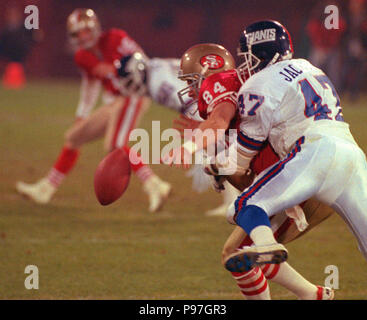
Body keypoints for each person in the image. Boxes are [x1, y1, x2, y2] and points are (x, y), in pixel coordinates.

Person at [165, 43, 334, 299]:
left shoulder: (220, 83)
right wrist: (221, 169)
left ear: (208, 71)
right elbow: (248, 173)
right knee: (244, 253)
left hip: (298, 181)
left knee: (238, 252)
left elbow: (219, 120)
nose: (190, 90)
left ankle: (313, 294)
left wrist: (188, 147)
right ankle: (313, 294)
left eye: (191, 81)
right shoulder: (247, 93)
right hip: (313, 173)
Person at [210, 20, 367, 273]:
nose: (245, 64)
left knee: (244, 206)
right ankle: (266, 244)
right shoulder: (311, 67)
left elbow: (242, 156)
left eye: (248, 56)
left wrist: (216, 165)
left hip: (315, 153)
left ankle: (265, 244)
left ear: (262, 54)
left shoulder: (258, 84)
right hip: (352, 154)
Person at [15, 8, 171, 212]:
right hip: (115, 101)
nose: (83, 37)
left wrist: (120, 71)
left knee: (116, 144)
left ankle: (154, 185)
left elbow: (142, 63)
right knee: (74, 137)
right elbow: (90, 86)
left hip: (132, 96)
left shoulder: (115, 38)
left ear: (95, 28)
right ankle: (46, 188)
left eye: (86, 31)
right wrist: (82, 115)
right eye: (78, 33)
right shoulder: (82, 56)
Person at [112, 51, 240, 215]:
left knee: (217, 151)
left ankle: (234, 201)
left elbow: (187, 100)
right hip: (215, 95)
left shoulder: (156, 84)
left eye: (130, 82)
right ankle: (234, 200)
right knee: (221, 151)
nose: (131, 87)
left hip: (209, 102)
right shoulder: (155, 64)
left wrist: (201, 121)